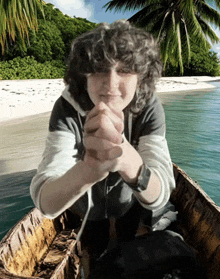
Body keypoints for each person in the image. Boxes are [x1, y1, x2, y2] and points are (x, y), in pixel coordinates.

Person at [30, 19, 176, 274]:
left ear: (141, 77)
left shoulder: (150, 108)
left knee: (126, 245)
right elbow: (46, 202)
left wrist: (125, 158)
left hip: (129, 202)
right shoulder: (67, 108)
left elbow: (160, 194)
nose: (110, 82)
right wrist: (89, 169)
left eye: (125, 69)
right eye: (99, 68)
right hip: (86, 206)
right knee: (92, 248)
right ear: (82, 74)